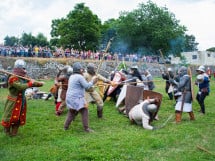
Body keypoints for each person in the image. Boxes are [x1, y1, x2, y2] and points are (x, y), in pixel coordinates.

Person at [1, 59, 43, 136]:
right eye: (23, 68)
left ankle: (14, 133)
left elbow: (31, 82)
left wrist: (39, 84)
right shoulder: (13, 78)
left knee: (19, 116)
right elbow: (20, 87)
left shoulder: (23, 77)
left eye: (24, 68)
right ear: (18, 68)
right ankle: (7, 132)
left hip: (21, 100)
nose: (24, 70)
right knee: (9, 116)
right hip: (13, 100)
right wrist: (30, 83)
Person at [64, 62, 97, 132]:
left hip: (69, 97)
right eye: (81, 69)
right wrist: (93, 81)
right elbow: (87, 86)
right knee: (85, 111)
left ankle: (65, 127)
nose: (82, 70)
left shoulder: (72, 76)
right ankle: (86, 128)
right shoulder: (79, 77)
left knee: (72, 111)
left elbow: (81, 86)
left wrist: (91, 84)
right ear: (79, 70)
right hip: (76, 98)